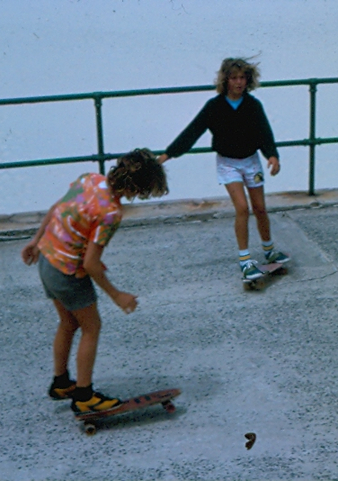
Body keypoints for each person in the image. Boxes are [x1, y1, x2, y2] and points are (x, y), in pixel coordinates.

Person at [21, 148, 168, 414]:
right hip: (67, 274)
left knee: (67, 322)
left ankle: (61, 382)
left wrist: (35, 240)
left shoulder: (89, 179)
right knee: (91, 327)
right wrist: (117, 295)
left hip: (46, 259)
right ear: (139, 188)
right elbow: (90, 264)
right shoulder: (111, 213)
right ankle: (84, 395)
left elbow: (58, 210)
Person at [158, 57, 290, 282]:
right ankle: (245, 260)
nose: (238, 82)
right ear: (225, 80)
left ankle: (269, 250)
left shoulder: (253, 105)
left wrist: (273, 156)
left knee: (259, 208)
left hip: (251, 162)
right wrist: (167, 154)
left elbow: (264, 133)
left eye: (242, 78)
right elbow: (192, 132)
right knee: (241, 207)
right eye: (234, 78)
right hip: (228, 163)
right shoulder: (214, 106)